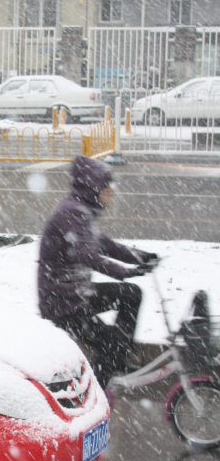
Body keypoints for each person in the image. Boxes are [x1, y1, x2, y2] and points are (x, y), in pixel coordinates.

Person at [38, 155, 158, 386]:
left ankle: (117, 358)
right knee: (111, 343)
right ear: (93, 187)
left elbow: (104, 244)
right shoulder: (72, 213)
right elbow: (88, 255)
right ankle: (98, 392)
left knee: (132, 294)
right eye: (107, 187)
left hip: (77, 293)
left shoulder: (81, 211)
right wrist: (124, 272)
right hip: (62, 303)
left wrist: (141, 256)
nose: (111, 192)